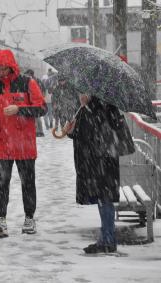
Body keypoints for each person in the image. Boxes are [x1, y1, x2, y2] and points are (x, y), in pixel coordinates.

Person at [0, 49, 47, 237]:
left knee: (27, 182)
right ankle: (1, 220)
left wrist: (20, 109)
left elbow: (42, 108)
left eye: (2, 69)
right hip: (1, 142)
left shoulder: (27, 83)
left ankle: (29, 218)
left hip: (24, 144)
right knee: (1, 183)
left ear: (10, 67)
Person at [65, 94, 124, 253]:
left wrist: (86, 114)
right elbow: (83, 134)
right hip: (94, 162)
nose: (80, 96)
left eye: (84, 93)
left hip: (103, 162)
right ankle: (105, 238)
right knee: (102, 199)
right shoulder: (88, 109)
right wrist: (71, 130)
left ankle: (108, 241)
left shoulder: (105, 107)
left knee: (105, 199)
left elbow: (102, 133)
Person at [24, 69, 45, 137]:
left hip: (35, 101)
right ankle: (39, 131)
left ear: (30, 74)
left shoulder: (33, 81)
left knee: (36, 116)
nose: (25, 75)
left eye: (27, 74)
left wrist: (40, 98)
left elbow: (42, 89)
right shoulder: (36, 80)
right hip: (33, 100)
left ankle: (39, 131)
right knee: (36, 116)